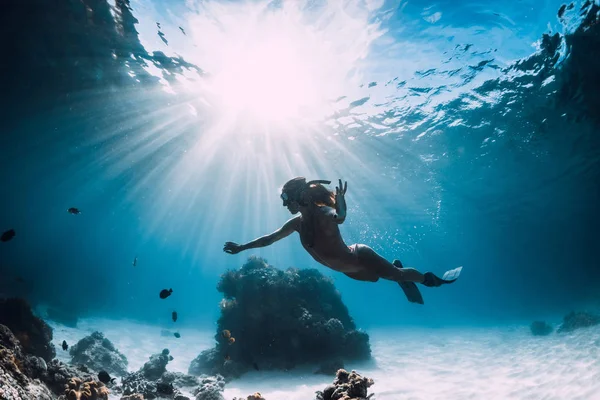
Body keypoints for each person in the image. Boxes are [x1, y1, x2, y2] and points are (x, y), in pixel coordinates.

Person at [223, 177, 462, 304]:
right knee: (379, 278)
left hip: (359, 255)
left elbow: (341, 217)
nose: (285, 203)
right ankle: (395, 270)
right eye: (283, 198)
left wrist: (341, 204)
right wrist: (242, 247)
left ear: (301, 195)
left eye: (287, 198)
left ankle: (433, 280)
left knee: (394, 276)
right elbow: (269, 239)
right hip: (350, 270)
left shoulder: (325, 214)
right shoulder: (296, 224)